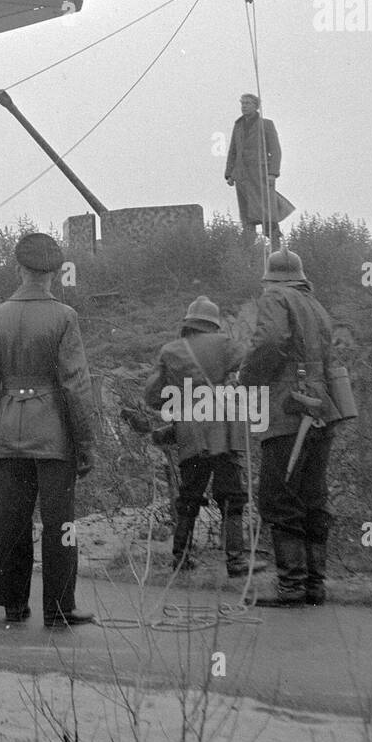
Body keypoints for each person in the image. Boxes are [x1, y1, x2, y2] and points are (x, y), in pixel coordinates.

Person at [0, 232, 98, 627]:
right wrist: (86, 443)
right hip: (53, 436)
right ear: (56, 273)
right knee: (60, 523)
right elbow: (75, 385)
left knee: (12, 519)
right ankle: (60, 607)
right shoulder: (64, 318)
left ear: (19, 268)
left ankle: (13, 604)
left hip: (7, 433)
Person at [238, 249, 341, 607]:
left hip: (287, 411)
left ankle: (292, 587)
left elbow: (268, 342)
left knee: (278, 497)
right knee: (312, 498)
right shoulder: (316, 305)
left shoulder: (276, 298)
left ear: (271, 279)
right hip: (321, 411)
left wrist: (247, 379)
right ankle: (314, 585)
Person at [141, 296, 266, 577]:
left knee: (189, 496)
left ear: (189, 324)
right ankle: (235, 562)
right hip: (224, 429)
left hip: (191, 433)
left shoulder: (170, 351)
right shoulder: (226, 344)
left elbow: (152, 395)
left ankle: (180, 559)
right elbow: (252, 367)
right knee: (232, 496)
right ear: (213, 323)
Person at [224, 93, 286, 246]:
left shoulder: (266, 124)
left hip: (261, 175)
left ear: (255, 106)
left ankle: (276, 248)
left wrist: (272, 173)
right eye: (242, 103)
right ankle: (248, 251)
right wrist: (230, 174)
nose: (244, 106)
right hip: (242, 176)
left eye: (248, 103)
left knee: (267, 213)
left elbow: (275, 150)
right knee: (247, 217)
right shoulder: (238, 126)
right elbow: (233, 151)